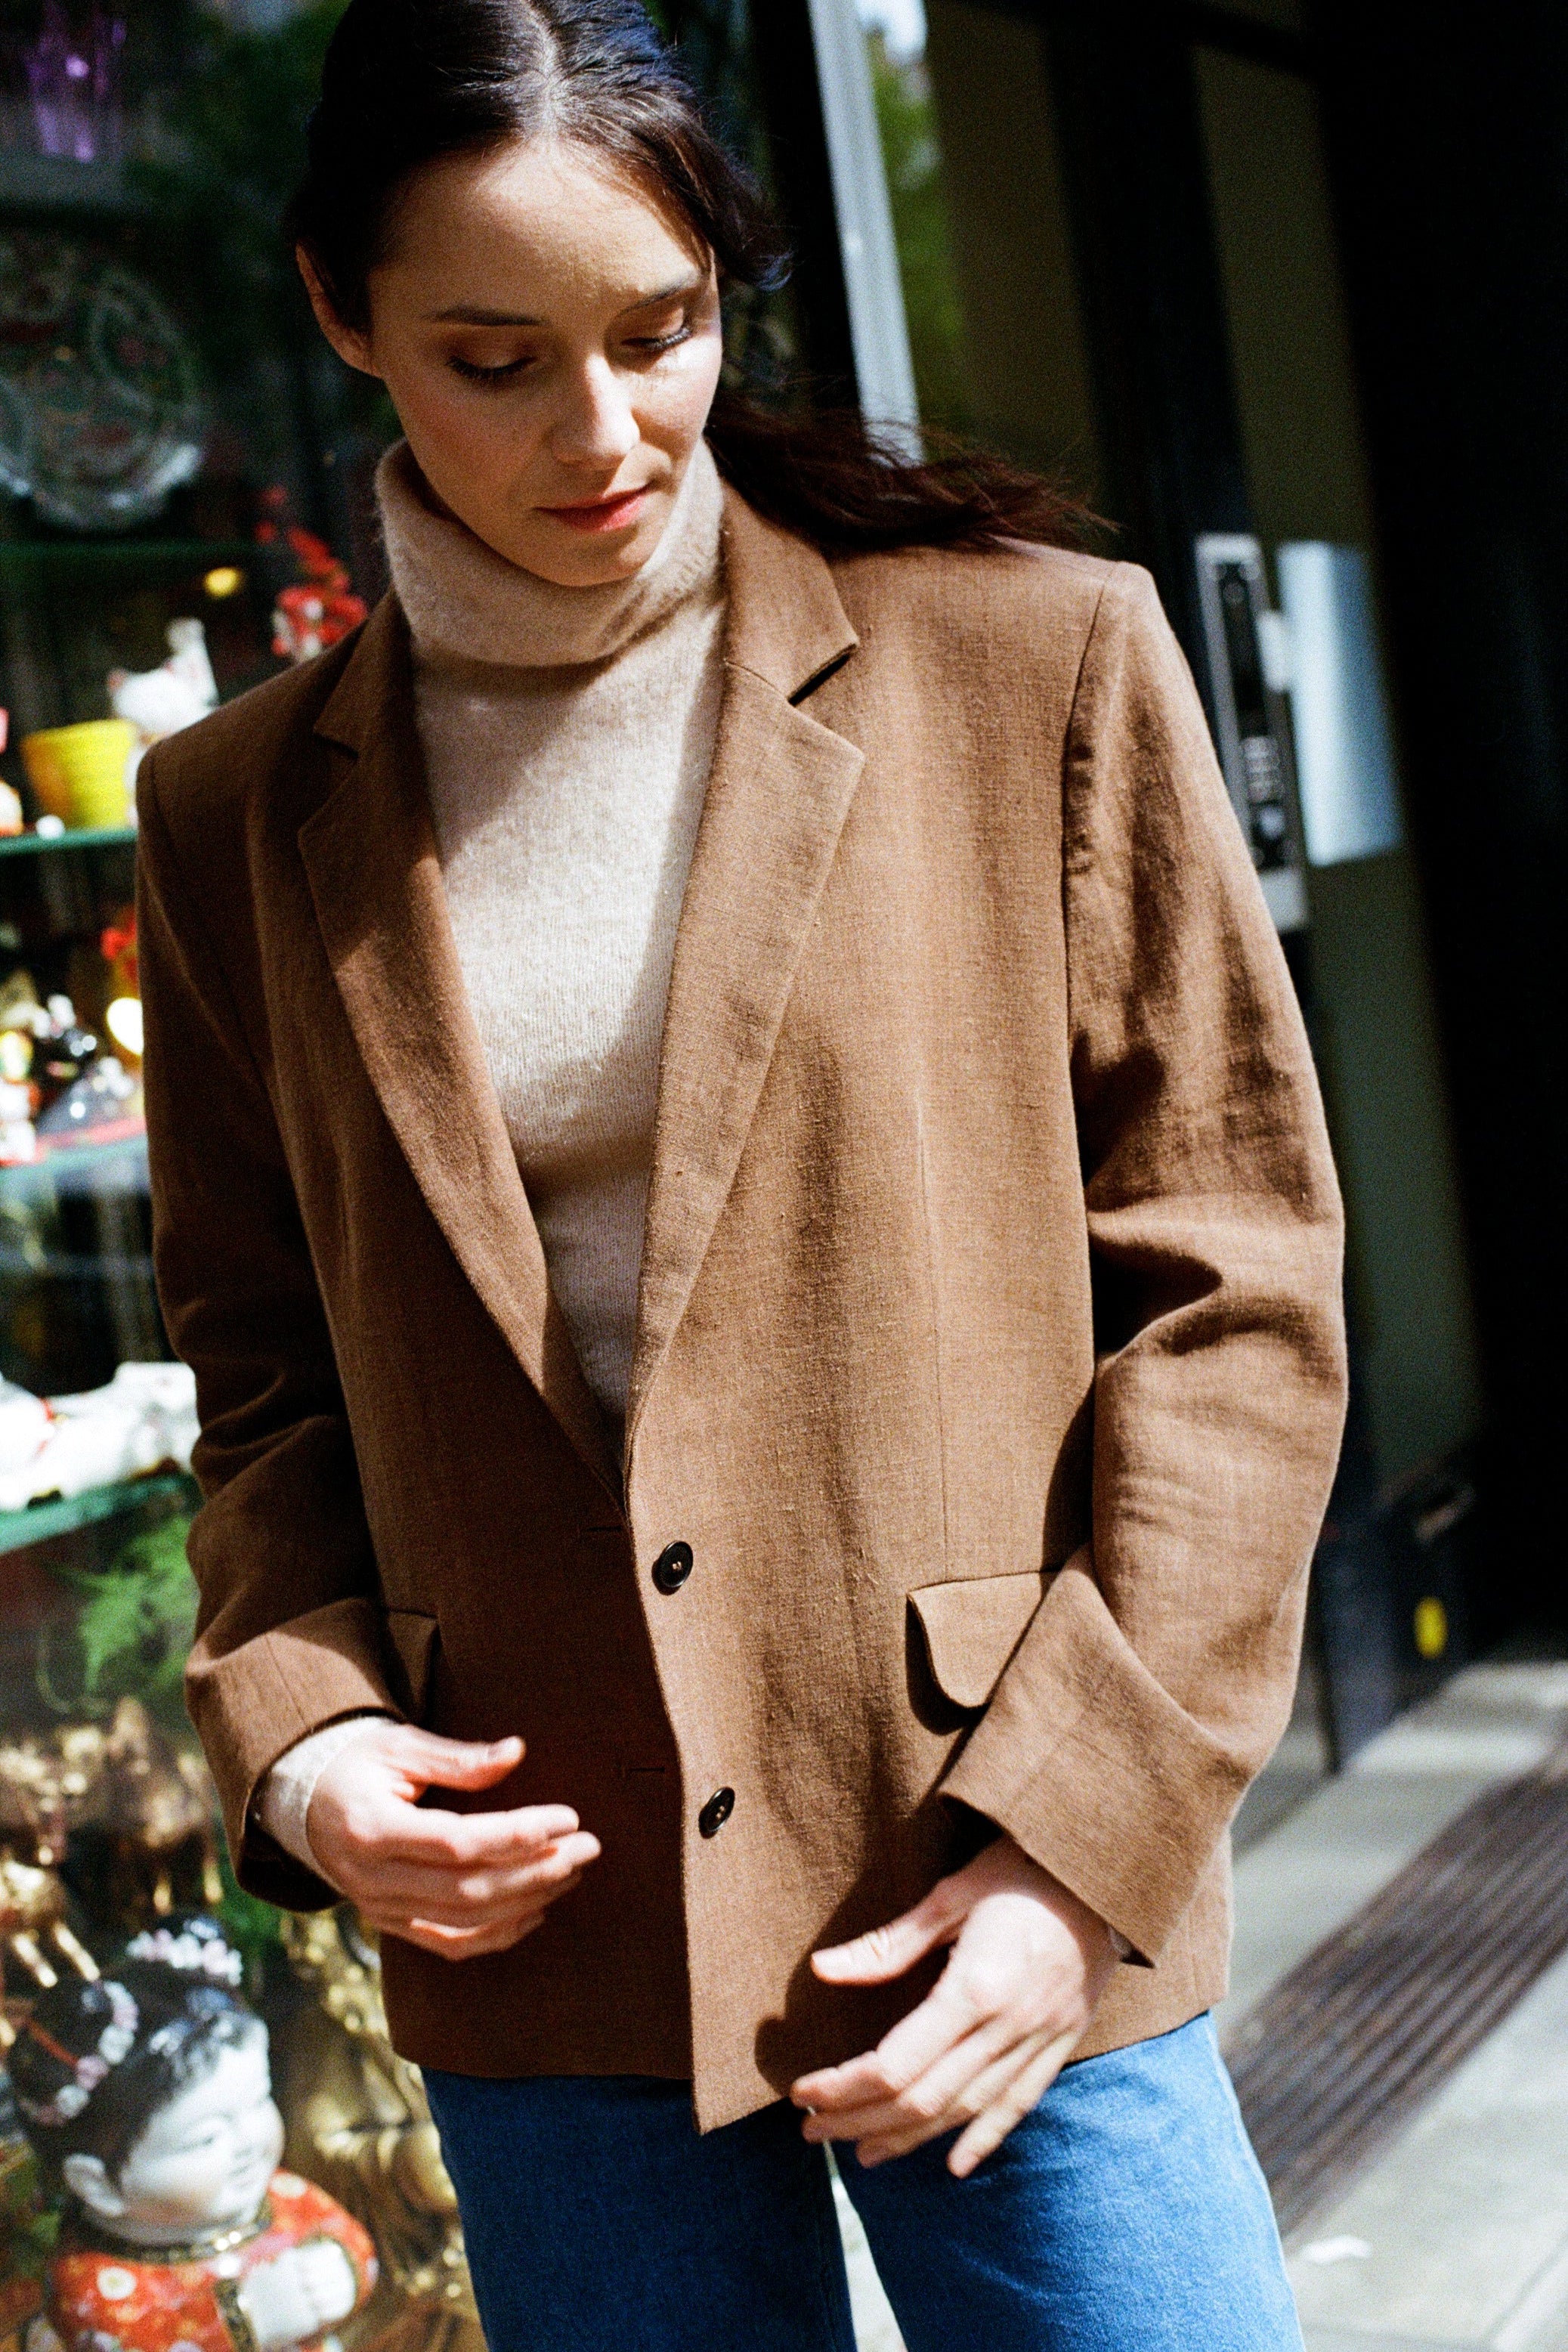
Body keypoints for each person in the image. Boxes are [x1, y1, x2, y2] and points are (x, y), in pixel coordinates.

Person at [136, 2, 1347, 2344]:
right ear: (335, 310)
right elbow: (260, 1365)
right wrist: (307, 1745)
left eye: (661, 331)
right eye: (492, 357)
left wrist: (1069, 1848)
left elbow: (1238, 1290)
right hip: (539, 1896)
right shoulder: (234, 816)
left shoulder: (1031, 661)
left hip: (985, 1846)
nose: (601, 432)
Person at [9, 1917, 377, 2352]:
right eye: (203, 2138)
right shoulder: (92, 2286)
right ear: (98, 2183)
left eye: (259, 2100)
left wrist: (341, 2268)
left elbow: (348, 2237)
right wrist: (249, 2321)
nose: (249, 2141)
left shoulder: (280, 2195)